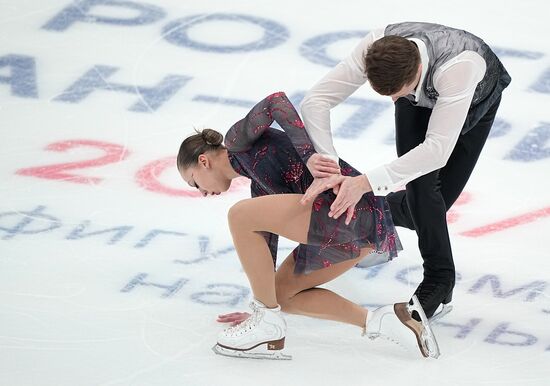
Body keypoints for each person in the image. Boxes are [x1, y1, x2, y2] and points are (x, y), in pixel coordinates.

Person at [177, 91, 439, 359]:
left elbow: (276, 101)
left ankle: (268, 321)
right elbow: (265, 251)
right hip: (351, 224)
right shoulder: (259, 185)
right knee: (281, 294)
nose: (202, 192)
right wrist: (264, 303)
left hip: (351, 208)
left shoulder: (236, 141)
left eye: (194, 183)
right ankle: (385, 322)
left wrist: (308, 155)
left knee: (238, 215)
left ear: (203, 161)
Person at [300, 22, 511, 321]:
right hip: (418, 89)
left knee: (425, 208)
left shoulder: (459, 68)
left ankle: (372, 211)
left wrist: (364, 184)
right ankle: (440, 279)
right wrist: (329, 164)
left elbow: (437, 151)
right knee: (423, 194)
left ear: (417, 69)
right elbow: (316, 100)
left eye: (397, 93)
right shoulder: (375, 47)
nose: (390, 101)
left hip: (473, 97)